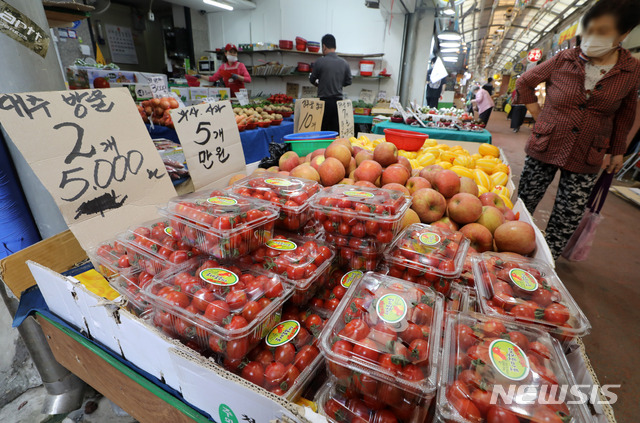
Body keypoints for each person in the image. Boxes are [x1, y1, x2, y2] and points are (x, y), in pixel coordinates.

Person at [514, 0, 640, 259]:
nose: (593, 37)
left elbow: (626, 112)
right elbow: (525, 81)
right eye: (590, 29)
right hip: (546, 142)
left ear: (624, 34)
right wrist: (539, 116)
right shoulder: (564, 58)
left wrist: (618, 151)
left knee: (568, 214)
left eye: (604, 32)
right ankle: (512, 246)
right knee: (524, 201)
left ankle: (547, 263)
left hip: (589, 150)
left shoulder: (631, 69)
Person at [309, 34, 352, 132]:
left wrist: (319, 84)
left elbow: (312, 79)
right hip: (339, 104)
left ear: (324, 46)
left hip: (323, 103)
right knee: (335, 132)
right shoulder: (344, 63)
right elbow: (349, 81)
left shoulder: (320, 62)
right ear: (335, 46)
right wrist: (338, 84)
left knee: (322, 131)